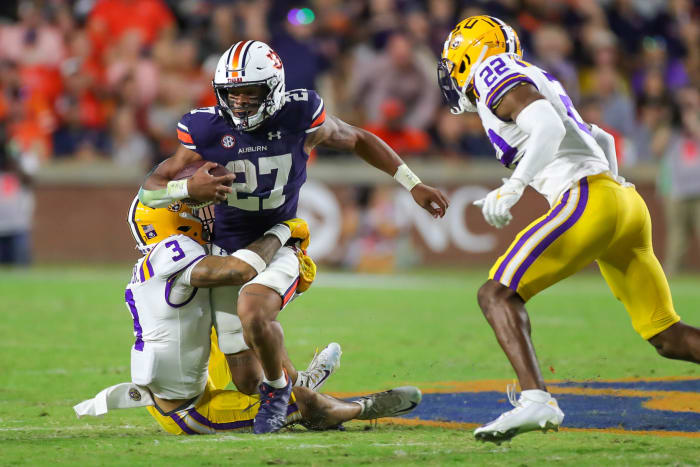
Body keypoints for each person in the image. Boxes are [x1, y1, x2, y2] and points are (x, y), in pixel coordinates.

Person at [137, 40, 448, 433]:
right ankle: (307, 390)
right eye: (233, 94)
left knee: (254, 310)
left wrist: (412, 183)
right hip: (229, 247)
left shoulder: (300, 115)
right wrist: (186, 190)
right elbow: (149, 188)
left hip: (280, 241)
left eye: (250, 92)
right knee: (247, 380)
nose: (241, 103)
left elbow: (360, 139)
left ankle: (295, 394)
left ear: (274, 89)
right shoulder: (204, 129)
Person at [437, 15, 700, 443]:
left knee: (496, 293)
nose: (449, 73)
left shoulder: (492, 71)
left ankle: (536, 399)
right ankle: (535, 398)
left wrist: (515, 186)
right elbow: (602, 138)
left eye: (453, 61)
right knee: (666, 335)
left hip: (588, 197)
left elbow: (548, 126)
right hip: (623, 202)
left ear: (470, 56)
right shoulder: (531, 73)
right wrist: (614, 189)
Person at [74, 201, 421, 433]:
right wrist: (282, 233)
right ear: (174, 224)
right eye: (192, 212)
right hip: (187, 408)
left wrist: (289, 277)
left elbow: (247, 301)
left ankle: (296, 378)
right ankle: (356, 407)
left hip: (183, 366)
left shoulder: (163, 259)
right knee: (299, 405)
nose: (204, 216)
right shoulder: (173, 255)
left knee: (245, 321)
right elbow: (242, 269)